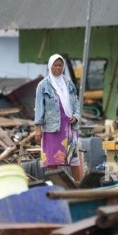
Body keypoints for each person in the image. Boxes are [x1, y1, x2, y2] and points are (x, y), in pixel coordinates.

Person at [34, 54, 83, 182]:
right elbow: (39, 107)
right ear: (50, 66)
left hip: (68, 127)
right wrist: (38, 128)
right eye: (55, 65)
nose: (58, 68)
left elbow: (76, 102)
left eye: (60, 65)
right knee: (52, 160)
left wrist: (76, 116)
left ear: (63, 67)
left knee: (73, 159)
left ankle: (80, 186)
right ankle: (55, 186)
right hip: (52, 128)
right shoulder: (43, 85)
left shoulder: (69, 84)